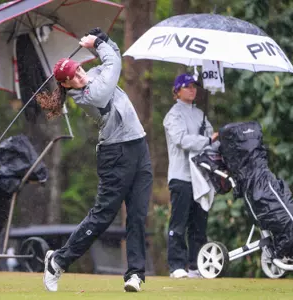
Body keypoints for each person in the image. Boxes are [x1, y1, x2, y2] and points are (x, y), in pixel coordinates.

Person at [39, 28, 153, 293]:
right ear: (66, 85)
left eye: (79, 70)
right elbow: (113, 65)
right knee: (102, 216)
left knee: (137, 215)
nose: (80, 75)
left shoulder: (91, 76)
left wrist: (103, 41)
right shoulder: (89, 96)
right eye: (74, 76)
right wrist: (99, 44)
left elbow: (113, 57)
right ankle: (58, 260)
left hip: (138, 145)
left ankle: (134, 274)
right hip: (116, 154)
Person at [163, 73, 219, 279]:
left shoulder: (200, 114)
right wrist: (206, 140)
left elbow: (212, 138)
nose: (192, 89)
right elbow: (182, 140)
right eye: (187, 86)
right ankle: (176, 265)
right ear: (177, 91)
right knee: (179, 222)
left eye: (194, 86)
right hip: (181, 176)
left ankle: (196, 265)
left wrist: (208, 139)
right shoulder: (173, 115)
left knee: (199, 223)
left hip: (200, 177)